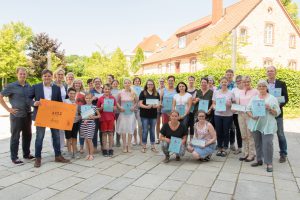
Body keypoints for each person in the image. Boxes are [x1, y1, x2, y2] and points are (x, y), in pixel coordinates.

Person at [29, 69, 70, 168]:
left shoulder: (56, 88)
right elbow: (28, 98)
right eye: (45, 76)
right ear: (42, 77)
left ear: (52, 77)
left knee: (56, 136)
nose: (47, 78)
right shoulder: (36, 87)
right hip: (41, 115)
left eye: (48, 76)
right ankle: (38, 158)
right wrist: (33, 103)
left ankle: (58, 156)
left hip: (53, 115)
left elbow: (60, 102)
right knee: (40, 137)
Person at [0, 67, 34, 165]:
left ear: (26, 75)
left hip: (28, 114)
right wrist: (8, 109)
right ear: (17, 74)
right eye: (21, 74)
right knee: (15, 137)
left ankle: (26, 154)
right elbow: (0, 96)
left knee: (28, 135)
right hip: (17, 116)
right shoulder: (11, 86)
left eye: (24, 74)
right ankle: (14, 157)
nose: (23, 75)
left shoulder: (28, 86)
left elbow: (30, 99)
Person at [247, 80, 281, 172]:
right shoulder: (254, 98)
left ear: (267, 87)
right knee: (257, 143)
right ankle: (259, 160)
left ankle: (269, 163)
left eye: (263, 86)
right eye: (260, 86)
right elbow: (248, 109)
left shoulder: (272, 98)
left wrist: (270, 108)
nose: (261, 88)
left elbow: (277, 112)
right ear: (257, 88)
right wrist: (252, 116)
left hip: (268, 125)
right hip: (256, 124)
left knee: (268, 143)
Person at [266, 66, 289, 163]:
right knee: (267, 133)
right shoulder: (264, 84)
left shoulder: (281, 83)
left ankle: (283, 153)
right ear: (266, 73)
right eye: (268, 71)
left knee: (280, 133)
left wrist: (278, 107)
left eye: (272, 71)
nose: (270, 72)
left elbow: (286, 98)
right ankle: (266, 153)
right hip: (266, 113)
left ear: (275, 72)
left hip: (277, 113)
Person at [235, 76, 258, 162]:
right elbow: (238, 104)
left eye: (248, 81)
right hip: (241, 115)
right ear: (242, 83)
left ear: (250, 82)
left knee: (250, 135)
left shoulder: (255, 91)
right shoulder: (240, 92)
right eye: (244, 82)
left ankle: (251, 154)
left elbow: (257, 104)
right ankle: (245, 153)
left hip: (250, 115)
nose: (246, 83)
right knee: (243, 135)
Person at [212, 77, 234, 157]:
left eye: (225, 82)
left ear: (228, 83)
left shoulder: (231, 93)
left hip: (228, 115)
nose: (224, 83)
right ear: (220, 83)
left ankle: (225, 148)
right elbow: (213, 103)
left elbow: (234, 104)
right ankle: (219, 147)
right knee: (218, 131)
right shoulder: (216, 92)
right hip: (217, 115)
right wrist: (215, 108)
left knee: (226, 132)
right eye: (222, 82)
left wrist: (230, 104)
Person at [116, 78, 138, 153]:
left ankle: (129, 145)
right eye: (126, 83)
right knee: (123, 130)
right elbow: (117, 102)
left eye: (128, 83)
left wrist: (133, 107)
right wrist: (120, 107)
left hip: (131, 114)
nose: (127, 84)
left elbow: (136, 102)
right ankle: (124, 146)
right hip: (123, 114)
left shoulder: (133, 92)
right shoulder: (120, 92)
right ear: (123, 84)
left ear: (130, 84)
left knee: (130, 129)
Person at [139, 79, 160, 153]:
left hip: (153, 115)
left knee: (152, 130)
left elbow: (158, 104)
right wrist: (146, 107)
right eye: (148, 84)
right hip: (144, 114)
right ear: (146, 85)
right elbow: (140, 104)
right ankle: (144, 145)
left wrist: (156, 106)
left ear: (153, 85)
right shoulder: (143, 93)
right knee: (145, 130)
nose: (150, 85)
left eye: (151, 84)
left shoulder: (156, 93)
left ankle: (153, 146)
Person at [97, 84, 117, 157]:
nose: (107, 90)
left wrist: (112, 107)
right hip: (103, 118)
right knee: (104, 134)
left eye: (108, 89)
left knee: (111, 134)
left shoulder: (113, 98)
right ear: (103, 90)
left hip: (111, 118)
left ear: (110, 90)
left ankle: (111, 149)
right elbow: (97, 109)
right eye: (106, 89)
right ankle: (104, 149)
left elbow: (115, 108)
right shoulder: (100, 98)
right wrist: (101, 108)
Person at [80, 92, 100, 160]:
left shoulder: (94, 107)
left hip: (91, 124)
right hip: (84, 124)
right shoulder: (83, 107)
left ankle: (91, 154)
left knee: (89, 139)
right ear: (85, 99)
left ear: (92, 99)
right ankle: (87, 153)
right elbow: (82, 116)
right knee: (86, 139)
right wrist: (83, 118)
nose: (88, 99)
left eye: (90, 98)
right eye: (87, 98)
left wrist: (94, 117)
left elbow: (99, 115)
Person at [53, 68, 68, 152]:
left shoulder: (64, 85)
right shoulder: (52, 84)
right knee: (55, 130)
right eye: (59, 74)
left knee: (62, 130)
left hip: (63, 109)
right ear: (55, 75)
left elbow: (66, 97)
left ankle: (61, 148)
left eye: (62, 74)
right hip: (54, 109)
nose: (60, 76)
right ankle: (55, 148)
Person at [64, 87, 81, 159]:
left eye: (74, 93)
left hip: (76, 122)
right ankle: (69, 153)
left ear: (75, 94)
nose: (72, 95)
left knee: (74, 138)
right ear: (68, 94)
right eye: (71, 93)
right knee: (68, 138)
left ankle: (75, 152)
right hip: (67, 122)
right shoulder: (64, 101)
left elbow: (80, 112)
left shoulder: (78, 102)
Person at [231, 75, 243, 154]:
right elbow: (231, 99)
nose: (239, 82)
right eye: (237, 81)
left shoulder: (246, 89)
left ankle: (249, 148)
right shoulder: (234, 90)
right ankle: (239, 147)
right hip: (236, 113)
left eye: (240, 81)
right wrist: (233, 101)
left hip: (244, 113)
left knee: (245, 131)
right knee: (238, 130)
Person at [90, 77, 103, 150]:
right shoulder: (91, 91)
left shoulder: (104, 90)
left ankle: (102, 145)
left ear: (101, 82)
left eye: (99, 81)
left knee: (102, 130)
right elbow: (87, 101)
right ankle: (94, 146)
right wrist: (92, 99)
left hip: (103, 112)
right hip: (94, 112)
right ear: (93, 83)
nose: (97, 83)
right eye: (96, 81)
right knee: (94, 130)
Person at [132, 77, 143, 145]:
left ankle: (141, 140)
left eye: (138, 81)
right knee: (133, 125)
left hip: (139, 109)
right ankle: (135, 140)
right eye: (136, 81)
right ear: (134, 82)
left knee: (140, 125)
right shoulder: (131, 89)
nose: (137, 82)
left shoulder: (142, 89)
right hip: (133, 109)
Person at [187, 76, 197, 141]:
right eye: (190, 80)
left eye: (192, 80)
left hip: (193, 111)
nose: (191, 81)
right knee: (185, 125)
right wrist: (192, 100)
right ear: (188, 81)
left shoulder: (196, 90)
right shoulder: (185, 90)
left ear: (194, 81)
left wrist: (191, 101)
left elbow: (195, 102)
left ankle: (191, 141)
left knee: (192, 126)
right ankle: (185, 140)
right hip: (186, 110)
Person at [111, 80, 121, 147]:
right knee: (112, 126)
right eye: (114, 84)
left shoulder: (120, 91)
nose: (115, 85)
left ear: (118, 84)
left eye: (116, 84)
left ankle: (118, 140)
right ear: (112, 84)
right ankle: (112, 141)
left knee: (118, 126)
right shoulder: (109, 91)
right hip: (111, 111)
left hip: (119, 110)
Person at [156, 78, 165, 144]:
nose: (161, 82)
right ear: (158, 82)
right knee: (158, 123)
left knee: (164, 123)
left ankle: (163, 137)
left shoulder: (166, 89)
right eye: (160, 81)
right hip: (158, 108)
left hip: (164, 108)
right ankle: (157, 138)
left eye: (162, 81)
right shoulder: (156, 90)